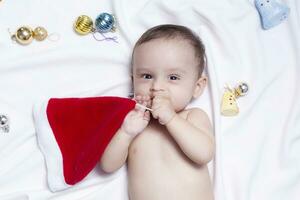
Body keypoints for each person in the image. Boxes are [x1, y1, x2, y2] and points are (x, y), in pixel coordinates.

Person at [100, 24, 215, 200]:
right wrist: (126, 133)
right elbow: (108, 166)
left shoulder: (192, 116)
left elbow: (204, 153)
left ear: (197, 87)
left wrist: (171, 118)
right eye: (147, 76)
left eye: (173, 77)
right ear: (133, 81)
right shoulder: (134, 123)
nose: (157, 87)